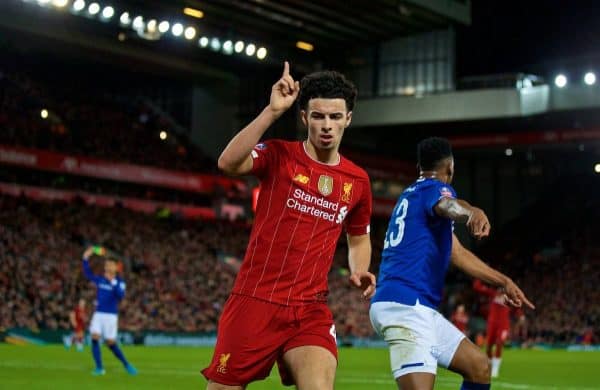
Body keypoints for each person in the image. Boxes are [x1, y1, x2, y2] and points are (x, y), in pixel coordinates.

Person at [203, 62, 376, 390]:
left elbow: (358, 238)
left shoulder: (358, 181)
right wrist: (271, 111)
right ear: (304, 117)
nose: (327, 125)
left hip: (310, 308)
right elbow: (228, 163)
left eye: (335, 117)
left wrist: (360, 269)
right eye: (318, 116)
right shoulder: (279, 155)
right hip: (256, 300)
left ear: (348, 119)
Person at [370, 137, 534, 390]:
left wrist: (504, 281)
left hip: (416, 307)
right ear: (450, 167)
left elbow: (458, 254)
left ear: (419, 165)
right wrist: (472, 212)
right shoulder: (433, 188)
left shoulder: (413, 196)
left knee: (478, 367)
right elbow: (449, 204)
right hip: (405, 307)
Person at [82, 245, 137, 376]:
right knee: (94, 338)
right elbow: (87, 273)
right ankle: (99, 368)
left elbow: (121, 296)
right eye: (106, 265)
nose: (107, 267)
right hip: (98, 313)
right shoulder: (100, 279)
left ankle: (126, 364)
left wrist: (112, 282)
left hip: (111, 316)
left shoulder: (119, 282)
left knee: (110, 343)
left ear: (116, 268)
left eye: (110, 265)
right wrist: (85, 257)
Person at [473, 279, 523, 378]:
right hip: (492, 324)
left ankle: (495, 369)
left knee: (500, 343)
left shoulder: (509, 298)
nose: (501, 290)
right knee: (489, 346)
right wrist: (478, 276)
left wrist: (520, 315)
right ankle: (490, 367)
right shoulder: (493, 294)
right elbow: (477, 287)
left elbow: (517, 307)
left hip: (503, 325)